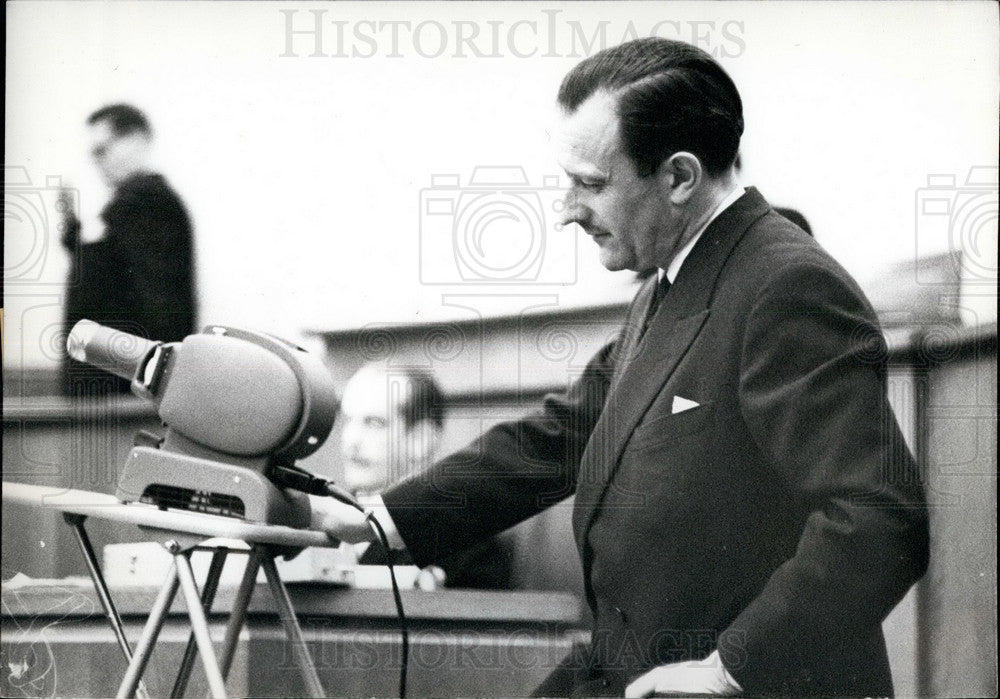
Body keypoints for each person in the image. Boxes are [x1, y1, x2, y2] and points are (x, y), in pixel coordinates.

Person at [313, 38, 928, 696]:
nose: (568, 210)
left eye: (592, 184)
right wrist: (378, 517)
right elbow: (561, 434)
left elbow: (880, 519)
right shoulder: (674, 282)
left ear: (680, 177)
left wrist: (729, 670)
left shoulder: (786, 286)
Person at [61, 104, 196, 396]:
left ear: (137, 141)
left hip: (119, 393)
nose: (97, 162)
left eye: (102, 150)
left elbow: (156, 309)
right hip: (122, 386)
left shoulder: (145, 202)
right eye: (92, 154)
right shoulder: (139, 204)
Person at [339, 364, 513, 590]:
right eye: (346, 420)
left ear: (421, 440)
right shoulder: (317, 522)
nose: (351, 439)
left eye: (374, 423)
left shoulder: (466, 545)